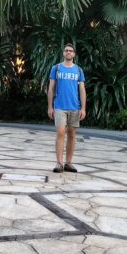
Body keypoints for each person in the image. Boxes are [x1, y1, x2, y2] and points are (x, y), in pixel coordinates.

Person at [47, 43, 86, 173]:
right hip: (59, 107)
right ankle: (59, 163)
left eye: (70, 51)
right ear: (63, 53)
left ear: (74, 54)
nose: (68, 52)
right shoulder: (56, 68)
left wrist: (83, 108)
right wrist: (50, 107)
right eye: (66, 50)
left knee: (72, 134)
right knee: (60, 133)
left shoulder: (78, 70)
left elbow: (82, 90)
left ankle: (68, 163)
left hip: (74, 107)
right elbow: (51, 88)